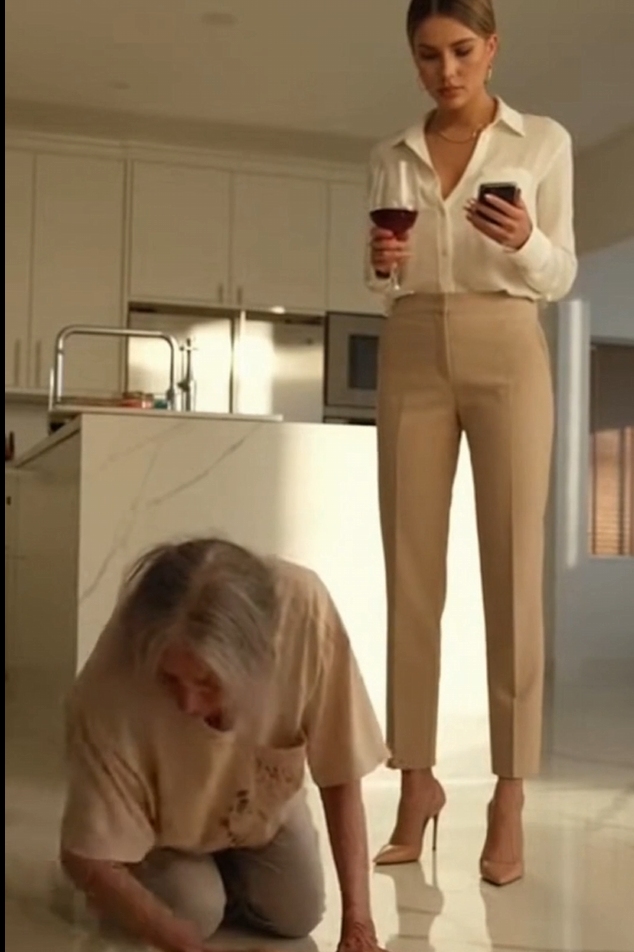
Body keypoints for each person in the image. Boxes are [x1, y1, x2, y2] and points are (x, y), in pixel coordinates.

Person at [366, 0, 577, 885]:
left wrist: (526, 241)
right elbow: (384, 276)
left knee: (514, 572)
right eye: (427, 55)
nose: (444, 71)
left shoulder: (544, 142)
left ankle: (509, 793)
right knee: (410, 572)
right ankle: (416, 783)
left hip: (507, 346)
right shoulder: (390, 154)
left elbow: (560, 273)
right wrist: (382, 266)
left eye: (460, 51)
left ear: (491, 48)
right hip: (413, 344)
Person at [59, 538, 389, 952]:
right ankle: (195, 884)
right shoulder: (108, 689)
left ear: (258, 656)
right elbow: (85, 856)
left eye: (207, 683)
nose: (188, 704)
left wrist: (359, 922)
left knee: (298, 914)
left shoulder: (304, 611)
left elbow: (341, 764)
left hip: (257, 804)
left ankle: (226, 878)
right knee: (196, 908)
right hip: (163, 828)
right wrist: (179, 940)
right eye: (170, 680)